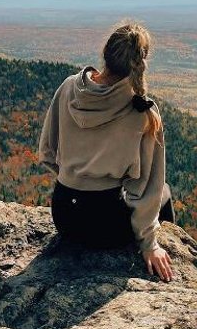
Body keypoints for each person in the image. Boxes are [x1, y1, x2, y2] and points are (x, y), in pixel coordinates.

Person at [38, 22, 176, 282]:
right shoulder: (142, 113)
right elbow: (148, 187)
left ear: (105, 52)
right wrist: (149, 244)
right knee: (164, 191)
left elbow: (47, 151)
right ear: (141, 62)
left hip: (64, 213)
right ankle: (164, 260)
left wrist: (75, 175)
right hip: (105, 225)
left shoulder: (69, 87)